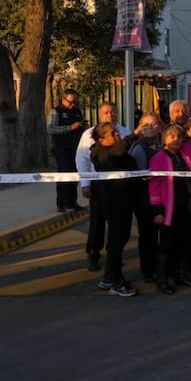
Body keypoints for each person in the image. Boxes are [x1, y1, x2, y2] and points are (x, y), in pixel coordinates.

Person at [149, 124, 191, 293]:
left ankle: (181, 274)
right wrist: (157, 211)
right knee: (166, 244)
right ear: (165, 139)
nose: (176, 139)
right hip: (169, 209)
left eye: (179, 136)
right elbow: (154, 186)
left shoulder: (188, 150)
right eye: (172, 136)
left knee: (184, 242)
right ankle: (161, 279)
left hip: (187, 205)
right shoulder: (159, 158)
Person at [75, 101, 130, 272]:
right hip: (98, 185)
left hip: (119, 186)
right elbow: (81, 159)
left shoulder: (125, 132)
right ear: (100, 114)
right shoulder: (89, 134)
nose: (110, 115)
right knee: (97, 222)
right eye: (106, 112)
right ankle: (93, 253)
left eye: (113, 111)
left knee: (118, 225)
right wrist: (85, 183)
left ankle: (114, 255)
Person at [90, 122, 140, 297]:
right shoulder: (103, 154)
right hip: (114, 202)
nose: (117, 135)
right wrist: (136, 133)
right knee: (117, 240)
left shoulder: (114, 151)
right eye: (113, 134)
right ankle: (117, 281)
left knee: (118, 239)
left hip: (124, 201)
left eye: (117, 132)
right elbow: (119, 151)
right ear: (102, 140)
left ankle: (109, 275)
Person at [128, 112, 164, 283]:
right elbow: (137, 174)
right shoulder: (139, 147)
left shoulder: (165, 144)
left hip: (163, 197)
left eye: (154, 124)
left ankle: (161, 266)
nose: (150, 127)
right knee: (148, 235)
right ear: (140, 128)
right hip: (145, 200)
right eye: (146, 124)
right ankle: (148, 270)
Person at [47, 88, 86, 212]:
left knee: (74, 175)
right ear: (63, 100)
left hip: (76, 148)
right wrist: (69, 127)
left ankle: (72, 201)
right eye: (70, 102)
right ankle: (61, 202)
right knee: (64, 175)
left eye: (74, 102)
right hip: (62, 148)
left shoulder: (78, 111)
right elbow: (50, 129)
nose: (72, 105)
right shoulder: (56, 112)